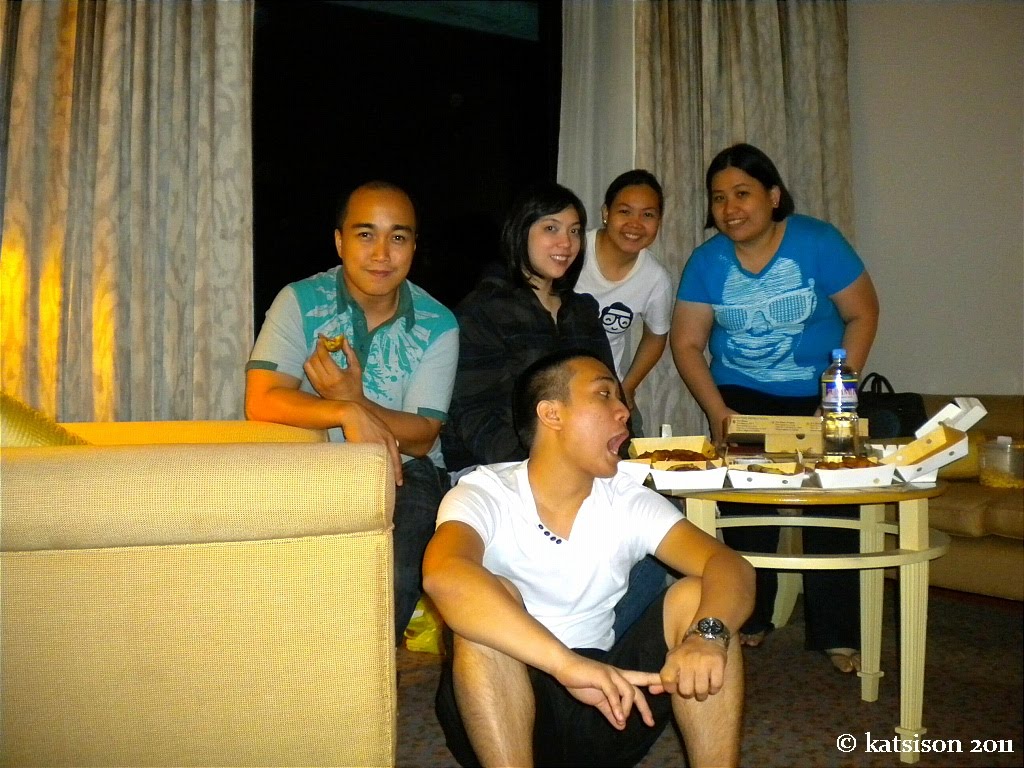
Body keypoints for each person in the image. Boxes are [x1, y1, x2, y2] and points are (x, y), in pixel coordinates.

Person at [424, 349, 755, 768]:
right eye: (603, 394)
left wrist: (707, 636)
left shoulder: (626, 498)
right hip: (499, 713)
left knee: (698, 599)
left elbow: (730, 566)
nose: (624, 410)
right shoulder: (485, 492)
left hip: (609, 705)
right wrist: (566, 665)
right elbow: (445, 576)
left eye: (620, 398)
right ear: (552, 414)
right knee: (482, 613)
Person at [670, 143, 879, 673]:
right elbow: (687, 343)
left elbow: (863, 314)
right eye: (719, 198)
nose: (730, 208)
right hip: (741, 397)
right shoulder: (707, 261)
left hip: (821, 393)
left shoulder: (818, 241)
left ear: (773, 195)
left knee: (833, 509)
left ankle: (837, 634)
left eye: (742, 193)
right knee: (745, 511)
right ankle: (750, 616)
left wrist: (839, 393)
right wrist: (718, 411)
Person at [439, 181, 660, 638]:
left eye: (575, 231)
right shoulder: (482, 311)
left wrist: (626, 462)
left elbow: (611, 399)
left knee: (661, 539)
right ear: (521, 231)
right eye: (551, 228)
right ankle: (547, 643)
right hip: (501, 472)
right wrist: (542, 473)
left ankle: (583, 642)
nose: (566, 243)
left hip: (581, 471)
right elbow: (472, 414)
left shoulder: (582, 311)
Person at [245, 180, 459, 642]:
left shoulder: (438, 323)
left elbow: (423, 435)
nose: (382, 253)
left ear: (414, 246)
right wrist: (345, 412)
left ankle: (362, 675)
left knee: (393, 574)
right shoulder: (301, 302)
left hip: (404, 469)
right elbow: (261, 399)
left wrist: (356, 401)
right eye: (365, 234)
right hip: (313, 461)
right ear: (340, 241)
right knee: (279, 572)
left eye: (398, 237)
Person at [574, 169, 674, 436]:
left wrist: (627, 386)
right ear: (606, 213)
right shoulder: (574, 251)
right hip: (558, 385)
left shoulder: (655, 279)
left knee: (634, 443)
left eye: (648, 215)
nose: (635, 224)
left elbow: (656, 336)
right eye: (625, 212)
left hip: (605, 388)